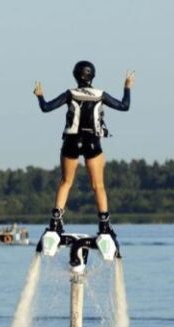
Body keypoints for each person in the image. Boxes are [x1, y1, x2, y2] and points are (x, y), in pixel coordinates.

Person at [34, 60, 135, 241]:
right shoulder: (100, 94)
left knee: (66, 182)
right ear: (92, 76)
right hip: (92, 142)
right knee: (98, 186)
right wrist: (127, 87)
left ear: (75, 75)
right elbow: (124, 106)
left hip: (71, 141)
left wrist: (39, 95)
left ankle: (55, 222)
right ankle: (104, 226)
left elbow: (46, 107)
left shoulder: (70, 94)